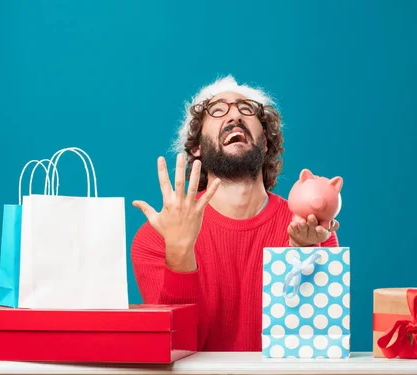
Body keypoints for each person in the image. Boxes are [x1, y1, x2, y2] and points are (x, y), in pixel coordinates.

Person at [131, 75, 340, 352]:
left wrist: (301, 254)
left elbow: (311, 347)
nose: (234, 116)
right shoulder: (156, 237)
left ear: (265, 142)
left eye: (246, 109)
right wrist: (179, 253)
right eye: (217, 110)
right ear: (197, 148)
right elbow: (177, 350)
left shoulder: (311, 232)